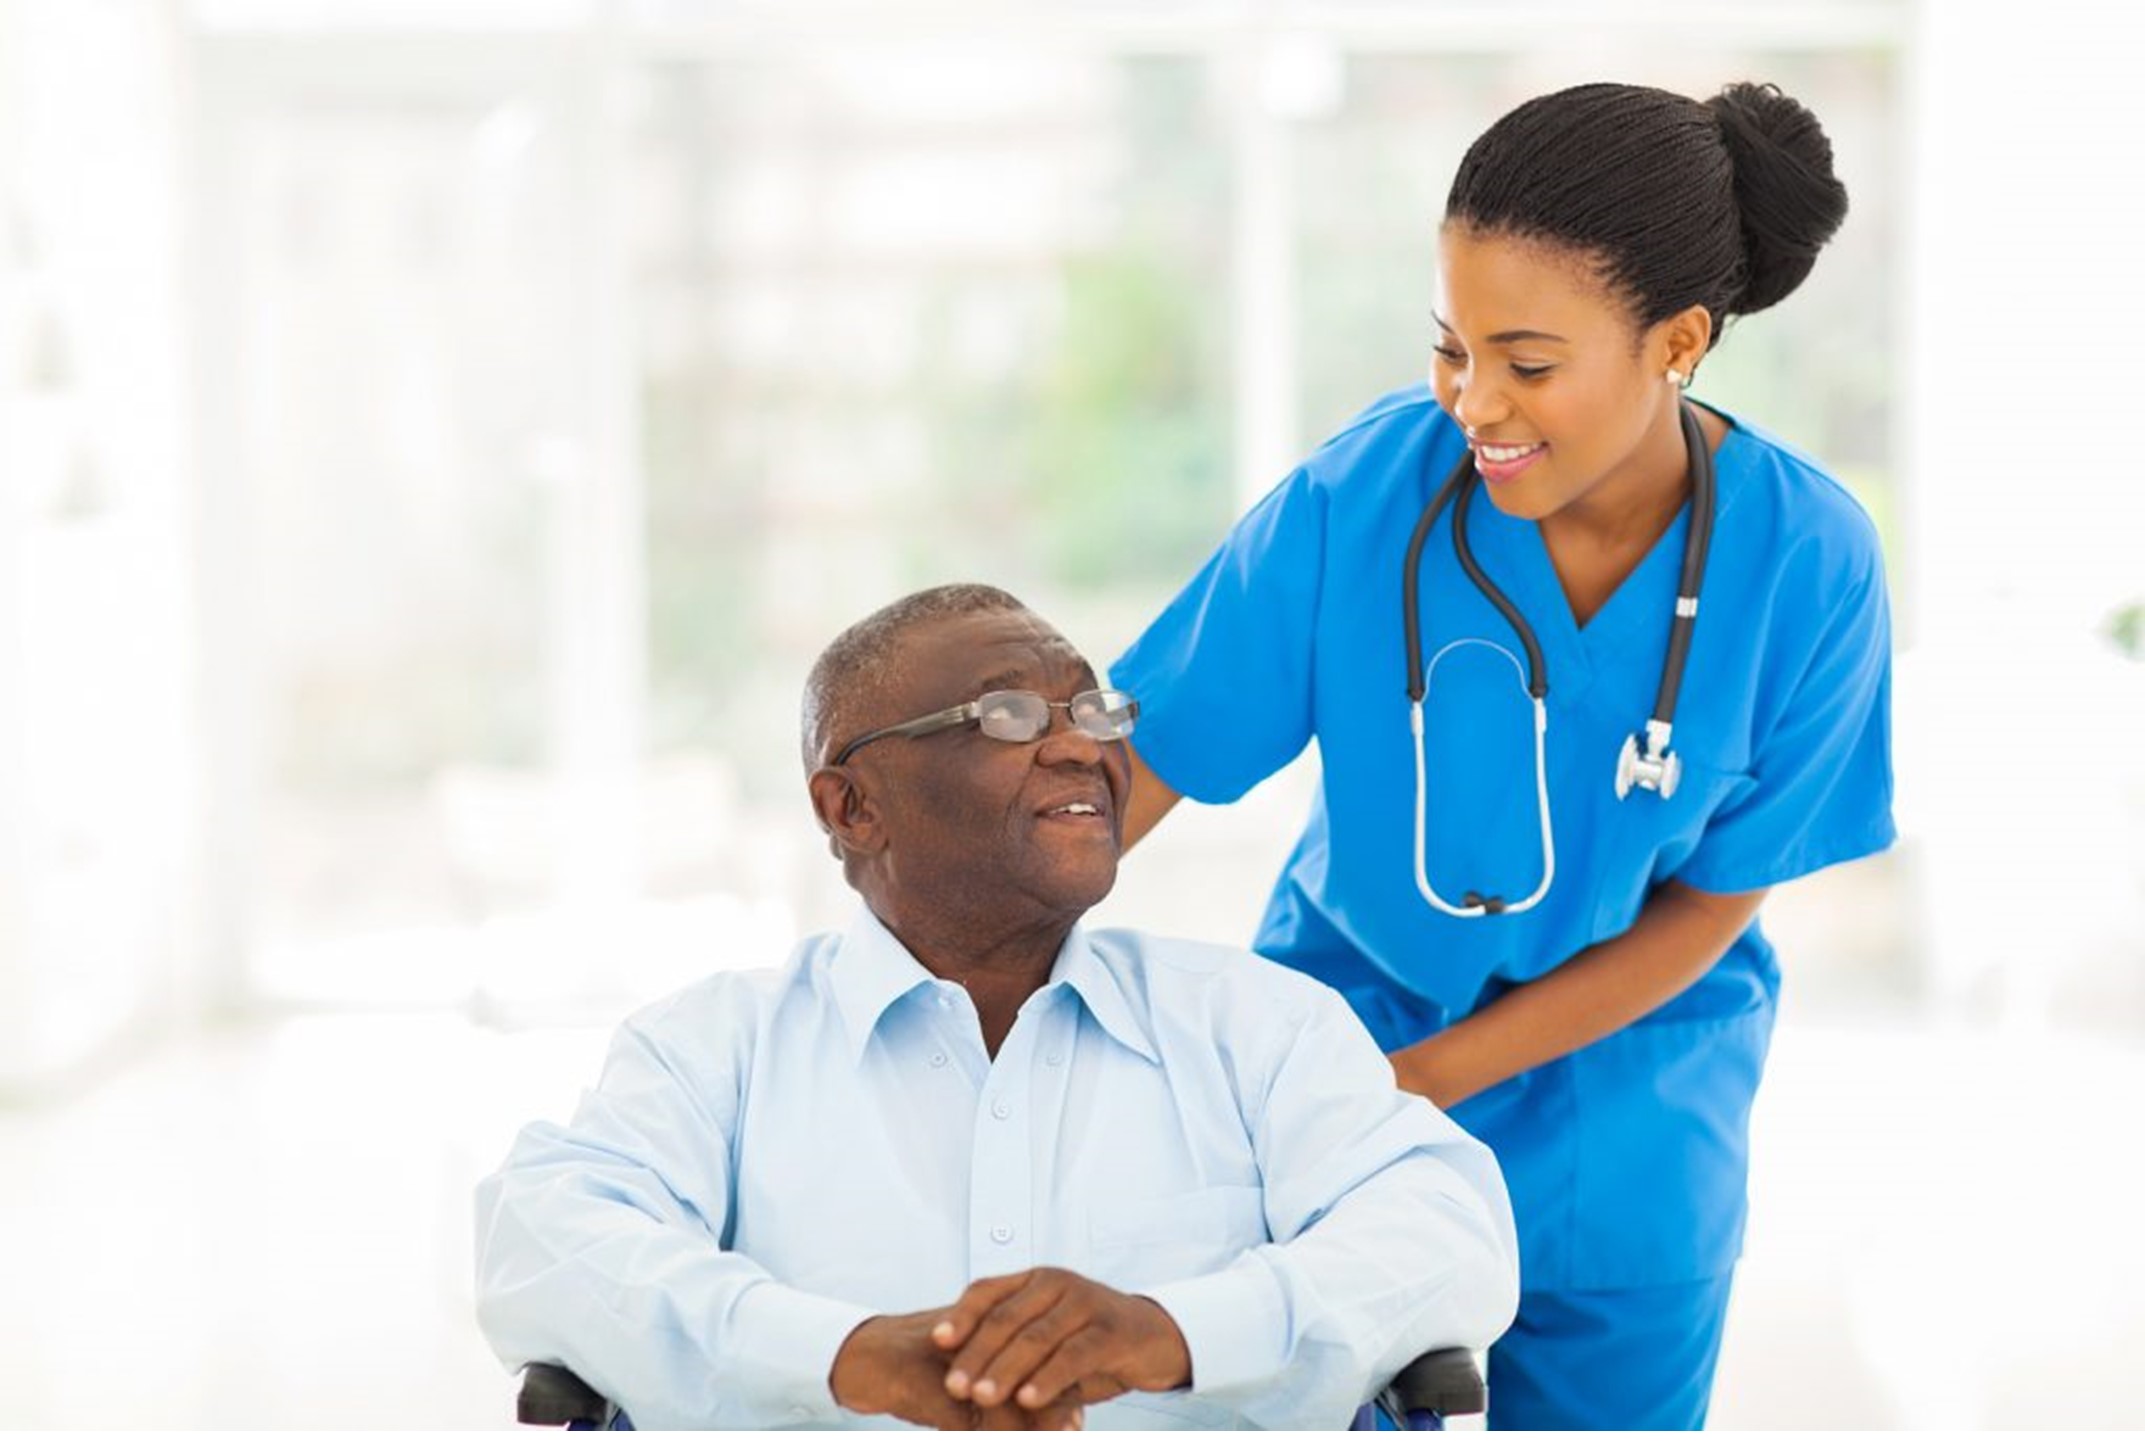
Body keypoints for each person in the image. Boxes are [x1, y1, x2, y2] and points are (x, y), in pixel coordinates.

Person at [1108, 82, 1894, 1430]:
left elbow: (1712, 901)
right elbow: (1139, 763)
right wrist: (953, 938)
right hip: (1341, 1070)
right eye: (1449, 348)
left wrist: (1429, 1080)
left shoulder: (1805, 561)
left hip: (1630, 1108)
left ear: (1679, 341)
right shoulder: (1364, 498)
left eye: (1526, 364)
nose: (1475, 403)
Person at [474, 584, 1518, 1430]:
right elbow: (547, 1240)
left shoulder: (1258, 1025)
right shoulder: (711, 1048)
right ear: (852, 806)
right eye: (1009, 714)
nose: (1082, 747)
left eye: (1095, 709)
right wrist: (847, 1359)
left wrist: (1170, 1333)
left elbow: (1445, 1232)